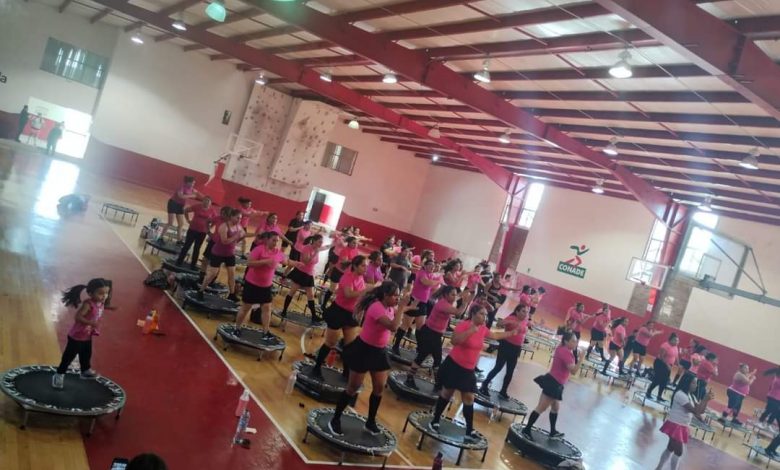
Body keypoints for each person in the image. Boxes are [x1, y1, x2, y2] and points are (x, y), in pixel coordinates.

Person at [429, 304, 523, 443]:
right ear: (473, 314)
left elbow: (494, 335)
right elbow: (454, 341)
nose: (485, 317)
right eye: (482, 314)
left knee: (469, 398)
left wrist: (512, 333)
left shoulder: (483, 328)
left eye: (485, 315)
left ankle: (469, 431)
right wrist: (470, 331)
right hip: (454, 365)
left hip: (468, 370)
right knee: (447, 393)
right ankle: (435, 421)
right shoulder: (464, 325)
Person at [329, 281, 410, 436]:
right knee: (353, 388)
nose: (397, 298)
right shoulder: (376, 307)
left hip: (379, 351)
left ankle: (370, 422)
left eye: (398, 296)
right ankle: (335, 418)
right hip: (364, 350)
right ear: (385, 295)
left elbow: (397, 314)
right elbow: (393, 327)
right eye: (395, 296)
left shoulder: (390, 308)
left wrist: (406, 307)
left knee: (379, 388)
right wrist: (401, 308)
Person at [311, 256, 369, 379]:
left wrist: (360, 311)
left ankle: (346, 373)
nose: (366, 268)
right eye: (363, 265)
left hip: (351, 314)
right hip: (338, 312)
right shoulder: (347, 277)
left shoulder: (361, 278)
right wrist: (365, 291)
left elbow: (359, 298)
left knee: (350, 346)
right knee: (330, 342)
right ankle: (316, 368)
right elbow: (348, 294)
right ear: (355, 266)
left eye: (366, 266)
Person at [235, 231, 301, 338]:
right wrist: (265, 262)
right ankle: (237, 328)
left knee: (267, 308)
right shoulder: (259, 249)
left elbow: (286, 261)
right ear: (267, 240)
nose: (275, 243)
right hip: (252, 284)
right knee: (246, 307)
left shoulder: (277, 252)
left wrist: (296, 264)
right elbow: (249, 263)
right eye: (273, 240)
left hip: (266, 286)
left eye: (277, 241)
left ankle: (266, 332)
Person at [404, 286, 471, 389]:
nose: (455, 297)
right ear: (445, 295)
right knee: (424, 357)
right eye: (452, 295)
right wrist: (465, 302)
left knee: (436, 359)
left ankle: (437, 383)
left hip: (435, 334)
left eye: (455, 295)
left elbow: (457, 298)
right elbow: (458, 313)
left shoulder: (447, 301)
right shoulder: (443, 304)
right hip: (430, 333)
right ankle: (410, 379)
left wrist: (464, 295)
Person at [52, 278, 111, 389]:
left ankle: (85, 371)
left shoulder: (100, 303)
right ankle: (59, 374)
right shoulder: (88, 304)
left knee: (86, 354)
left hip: (87, 336)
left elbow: (100, 309)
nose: (104, 296)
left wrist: (110, 307)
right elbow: (78, 317)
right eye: (100, 293)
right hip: (76, 336)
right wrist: (90, 323)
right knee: (68, 357)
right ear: (90, 293)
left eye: (106, 293)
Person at [522, 331, 580, 441]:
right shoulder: (566, 353)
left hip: (556, 382)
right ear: (566, 341)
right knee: (541, 407)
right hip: (554, 383)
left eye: (576, 341)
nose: (576, 343)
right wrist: (581, 358)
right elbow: (573, 371)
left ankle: (553, 431)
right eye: (573, 341)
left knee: (555, 407)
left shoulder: (561, 348)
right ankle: (527, 429)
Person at [655, 373, 713, 470]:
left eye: (696, 383)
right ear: (687, 383)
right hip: (675, 425)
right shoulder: (680, 394)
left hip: (681, 426)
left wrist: (706, 401)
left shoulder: (691, 396)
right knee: (679, 451)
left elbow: (700, 411)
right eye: (694, 383)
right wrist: (704, 399)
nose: (696, 385)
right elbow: (695, 411)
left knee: (670, 448)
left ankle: (658, 468)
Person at [479, 304, 530, 399]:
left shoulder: (525, 320)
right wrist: (510, 322)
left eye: (527, 312)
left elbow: (527, 327)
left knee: (510, 371)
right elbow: (499, 324)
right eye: (523, 311)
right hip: (506, 345)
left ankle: (503, 391)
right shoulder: (511, 318)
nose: (526, 313)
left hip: (516, 348)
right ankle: (484, 385)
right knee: (498, 367)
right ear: (517, 312)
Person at [391, 259, 441, 354]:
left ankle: (419, 348)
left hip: (423, 303)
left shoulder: (431, 276)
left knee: (420, 327)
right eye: (430, 265)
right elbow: (426, 282)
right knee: (405, 325)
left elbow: (433, 288)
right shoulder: (422, 273)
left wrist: (436, 284)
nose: (432, 267)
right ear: (425, 266)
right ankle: (396, 346)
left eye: (433, 266)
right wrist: (438, 281)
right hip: (414, 301)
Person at [279, 233, 330, 323]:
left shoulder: (317, 248)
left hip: (309, 274)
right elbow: (306, 261)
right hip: (300, 273)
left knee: (311, 295)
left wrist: (335, 243)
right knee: (292, 292)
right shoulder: (307, 248)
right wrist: (315, 253)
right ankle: (284, 311)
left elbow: (326, 247)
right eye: (319, 242)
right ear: (314, 241)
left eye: (322, 242)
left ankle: (314, 316)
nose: (321, 244)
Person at [198, 207, 244, 302]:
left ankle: (231, 294)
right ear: (232, 217)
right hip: (218, 252)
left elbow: (243, 234)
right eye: (237, 218)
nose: (239, 220)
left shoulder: (238, 226)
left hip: (230, 254)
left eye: (240, 218)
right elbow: (224, 241)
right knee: (212, 274)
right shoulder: (224, 226)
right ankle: (201, 290)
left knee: (232, 274)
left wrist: (239, 238)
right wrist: (236, 237)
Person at [175, 196, 216, 269]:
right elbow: (186, 210)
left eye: (208, 201)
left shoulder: (212, 211)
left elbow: (215, 220)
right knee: (186, 246)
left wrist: (210, 227)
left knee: (197, 248)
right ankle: (179, 262)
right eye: (205, 200)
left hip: (202, 232)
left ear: (210, 203)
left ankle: (193, 265)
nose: (206, 202)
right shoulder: (197, 206)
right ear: (203, 201)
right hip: (192, 229)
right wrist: (188, 220)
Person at [320, 236, 360, 308]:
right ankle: (323, 305)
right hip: (338, 272)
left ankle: (334, 306)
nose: (355, 245)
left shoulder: (356, 250)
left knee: (340, 291)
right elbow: (345, 262)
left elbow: (355, 261)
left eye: (356, 243)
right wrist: (355, 261)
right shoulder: (345, 250)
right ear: (349, 243)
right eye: (354, 243)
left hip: (346, 274)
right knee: (332, 289)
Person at [165, 176, 202, 242]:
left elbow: (198, 193)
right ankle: (160, 237)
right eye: (193, 183)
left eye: (194, 183)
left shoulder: (192, 189)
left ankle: (179, 240)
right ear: (188, 182)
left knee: (181, 224)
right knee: (170, 222)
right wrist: (191, 195)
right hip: (173, 203)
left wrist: (206, 198)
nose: (193, 184)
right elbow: (181, 196)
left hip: (180, 205)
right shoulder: (181, 187)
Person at [646, 333, 680, 402]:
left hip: (668, 365)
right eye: (675, 340)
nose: (677, 342)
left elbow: (676, 356)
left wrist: (678, 364)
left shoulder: (675, 347)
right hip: (660, 364)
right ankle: (648, 392)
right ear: (671, 340)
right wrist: (667, 365)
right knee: (658, 379)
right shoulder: (665, 345)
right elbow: (661, 356)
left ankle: (659, 396)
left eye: (678, 341)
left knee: (664, 381)